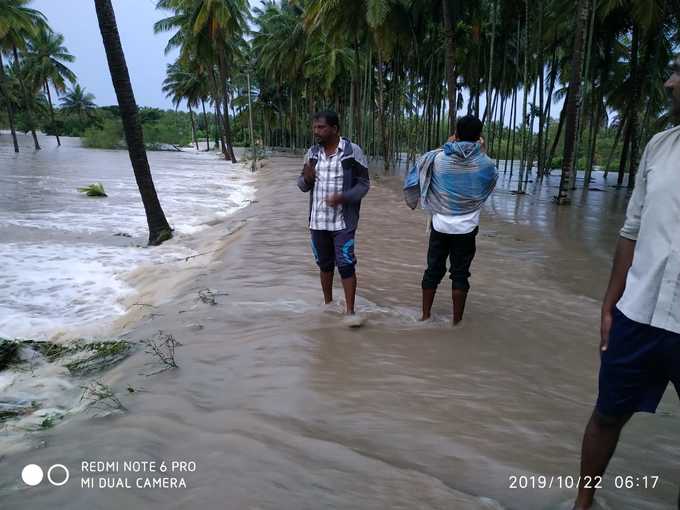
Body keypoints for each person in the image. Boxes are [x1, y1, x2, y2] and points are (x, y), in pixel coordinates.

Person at [573, 55, 680, 510]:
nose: (670, 83)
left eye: (679, 74)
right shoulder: (659, 146)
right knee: (606, 415)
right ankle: (583, 504)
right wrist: (609, 304)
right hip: (638, 312)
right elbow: (631, 230)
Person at [404, 115, 498, 325]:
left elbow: (421, 169)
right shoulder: (486, 164)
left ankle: (425, 316)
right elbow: (490, 181)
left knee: (432, 270)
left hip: (440, 224)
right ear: (479, 136)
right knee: (460, 274)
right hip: (467, 227)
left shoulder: (437, 159)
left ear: (456, 133)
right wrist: (480, 150)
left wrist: (448, 143)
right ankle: (456, 322)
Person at [297, 111, 370, 327]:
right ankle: (328, 305)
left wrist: (343, 197)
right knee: (324, 265)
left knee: (346, 264)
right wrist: (307, 179)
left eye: (321, 127)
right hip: (317, 221)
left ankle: (350, 312)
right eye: (315, 127)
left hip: (342, 222)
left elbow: (364, 184)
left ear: (335, 129)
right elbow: (302, 185)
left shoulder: (351, 152)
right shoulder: (311, 153)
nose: (316, 131)